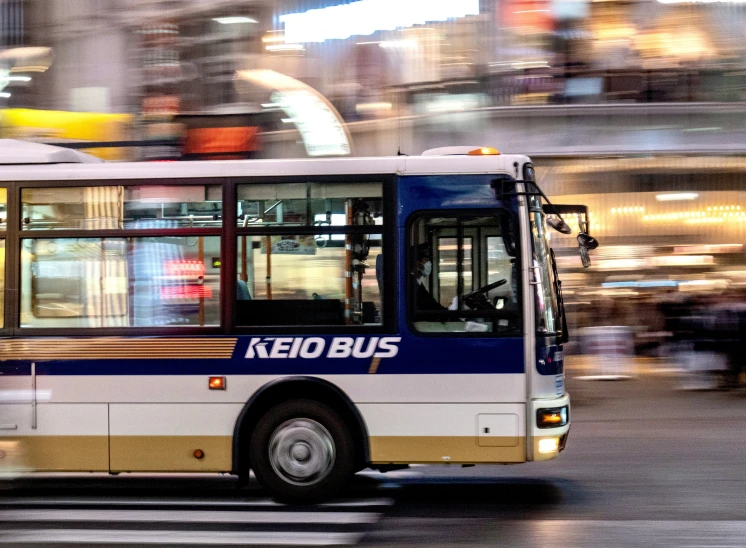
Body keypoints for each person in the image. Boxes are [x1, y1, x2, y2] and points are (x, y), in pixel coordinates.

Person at [413, 245, 446, 312]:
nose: (429, 263)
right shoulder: (411, 284)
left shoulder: (418, 283)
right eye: (426, 260)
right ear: (418, 263)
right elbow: (428, 306)